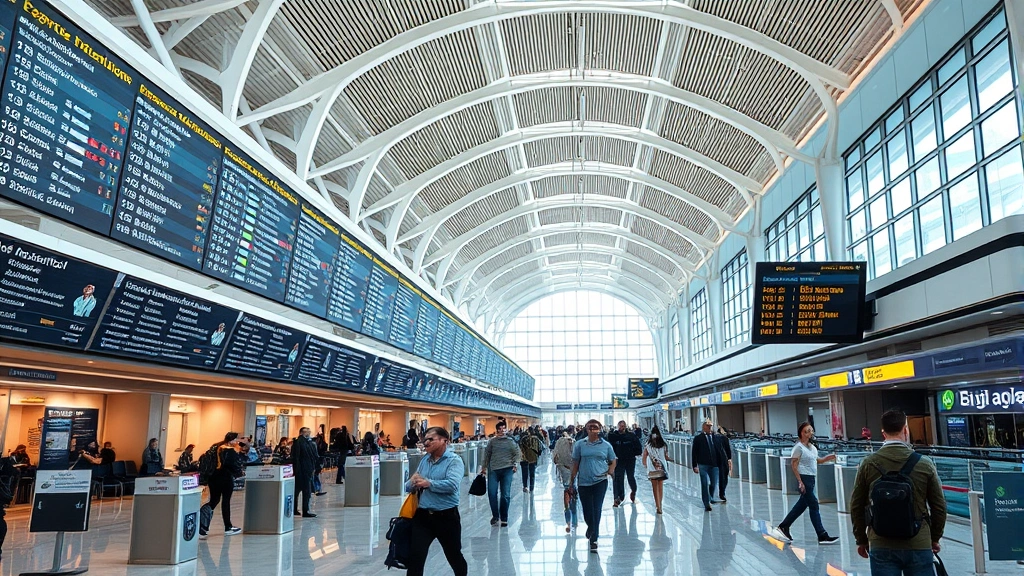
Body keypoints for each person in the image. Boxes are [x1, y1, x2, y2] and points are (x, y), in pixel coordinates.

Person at [850, 409, 947, 574]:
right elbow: (939, 506)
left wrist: (861, 539)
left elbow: (856, 506)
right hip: (918, 542)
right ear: (906, 430)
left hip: (881, 542)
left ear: (883, 433)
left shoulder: (868, 463)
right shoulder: (925, 464)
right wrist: (934, 538)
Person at [404, 426, 467, 576]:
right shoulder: (425, 460)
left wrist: (429, 483)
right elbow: (409, 485)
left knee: (454, 555)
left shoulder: (454, 461)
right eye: (425, 439)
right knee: (415, 558)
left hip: (447, 517)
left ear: (444, 440)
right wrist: (412, 483)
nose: (426, 442)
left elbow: (452, 485)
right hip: (423, 517)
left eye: (431, 439)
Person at [771, 422, 840, 545]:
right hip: (804, 479)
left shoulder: (812, 447)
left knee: (801, 506)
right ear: (802, 433)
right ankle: (822, 534)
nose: (811, 433)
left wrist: (827, 458)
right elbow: (794, 465)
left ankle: (784, 526)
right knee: (814, 505)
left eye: (811, 430)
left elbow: (816, 461)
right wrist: (800, 482)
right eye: (808, 431)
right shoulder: (798, 448)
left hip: (811, 478)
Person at [569, 419, 616, 552]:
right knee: (587, 509)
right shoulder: (579, 445)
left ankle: (594, 538)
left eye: (595, 427)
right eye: (589, 427)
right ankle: (591, 527)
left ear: (600, 429)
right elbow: (575, 464)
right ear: (586, 429)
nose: (592, 429)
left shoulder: (606, 446)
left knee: (597, 508)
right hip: (583, 481)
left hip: (600, 481)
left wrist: (610, 470)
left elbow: (613, 460)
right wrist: (571, 481)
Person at [201, 432, 244, 538]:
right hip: (225, 478)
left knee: (214, 500)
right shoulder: (229, 450)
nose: (237, 442)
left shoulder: (215, 447)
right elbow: (234, 465)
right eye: (236, 440)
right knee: (226, 501)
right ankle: (228, 527)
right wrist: (239, 473)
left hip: (213, 478)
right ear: (231, 440)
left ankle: (203, 524)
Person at [480, 420, 520, 527]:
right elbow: (487, 454)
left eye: (503, 428)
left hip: (507, 469)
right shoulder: (492, 442)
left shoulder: (511, 441)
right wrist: (484, 467)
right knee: (492, 493)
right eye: (500, 429)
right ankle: (495, 515)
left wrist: (515, 464)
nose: (502, 431)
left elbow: (517, 453)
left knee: (505, 495)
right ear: (497, 430)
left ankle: (504, 517)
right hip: (493, 469)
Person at [690, 418, 727, 511]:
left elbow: (720, 450)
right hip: (703, 464)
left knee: (714, 483)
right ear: (703, 427)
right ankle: (706, 503)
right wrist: (694, 465)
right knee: (704, 483)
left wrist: (723, 462)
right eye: (707, 426)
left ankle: (710, 497)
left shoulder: (716, 437)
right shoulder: (698, 439)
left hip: (714, 464)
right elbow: (694, 452)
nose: (709, 428)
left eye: (710, 426)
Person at [608, 420, 642, 507]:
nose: (621, 428)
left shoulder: (631, 436)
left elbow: (638, 448)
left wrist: (632, 453)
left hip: (630, 459)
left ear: (625, 426)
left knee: (630, 477)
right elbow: (610, 448)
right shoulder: (614, 437)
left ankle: (633, 491)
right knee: (618, 478)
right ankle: (618, 497)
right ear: (617, 426)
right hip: (619, 460)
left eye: (623, 426)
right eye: (620, 426)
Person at [551, 426, 577, 533]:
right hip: (573, 470)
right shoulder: (574, 442)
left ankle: (568, 521)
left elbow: (555, 457)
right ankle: (574, 520)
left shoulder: (559, 442)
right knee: (573, 493)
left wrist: (560, 466)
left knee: (567, 491)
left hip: (564, 470)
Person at [291, 427, 320, 518]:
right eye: (308, 432)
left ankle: (294, 509)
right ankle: (305, 510)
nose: (310, 433)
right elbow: (297, 458)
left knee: (297, 490)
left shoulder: (304, 442)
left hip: (303, 470)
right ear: (303, 433)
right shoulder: (301, 443)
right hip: (304, 470)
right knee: (306, 491)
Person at [642, 425, 670, 514]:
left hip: (652, 467)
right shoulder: (663, 444)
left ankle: (658, 506)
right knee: (660, 486)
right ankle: (660, 505)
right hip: (661, 466)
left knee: (654, 487)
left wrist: (645, 465)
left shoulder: (648, 445)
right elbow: (666, 456)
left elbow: (644, 455)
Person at [519, 428, 540, 493]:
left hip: (524, 458)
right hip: (533, 458)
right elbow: (540, 449)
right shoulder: (536, 439)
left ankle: (525, 486)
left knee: (524, 473)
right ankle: (531, 487)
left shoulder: (522, 439)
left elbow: (519, 448)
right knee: (532, 473)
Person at [715, 426, 733, 502]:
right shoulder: (725, 439)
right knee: (724, 477)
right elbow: (728, 451)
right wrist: (729, 459)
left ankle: (712, 493)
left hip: (714, 460)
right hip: (723, 460)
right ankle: (722, 493)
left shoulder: (712, 438)